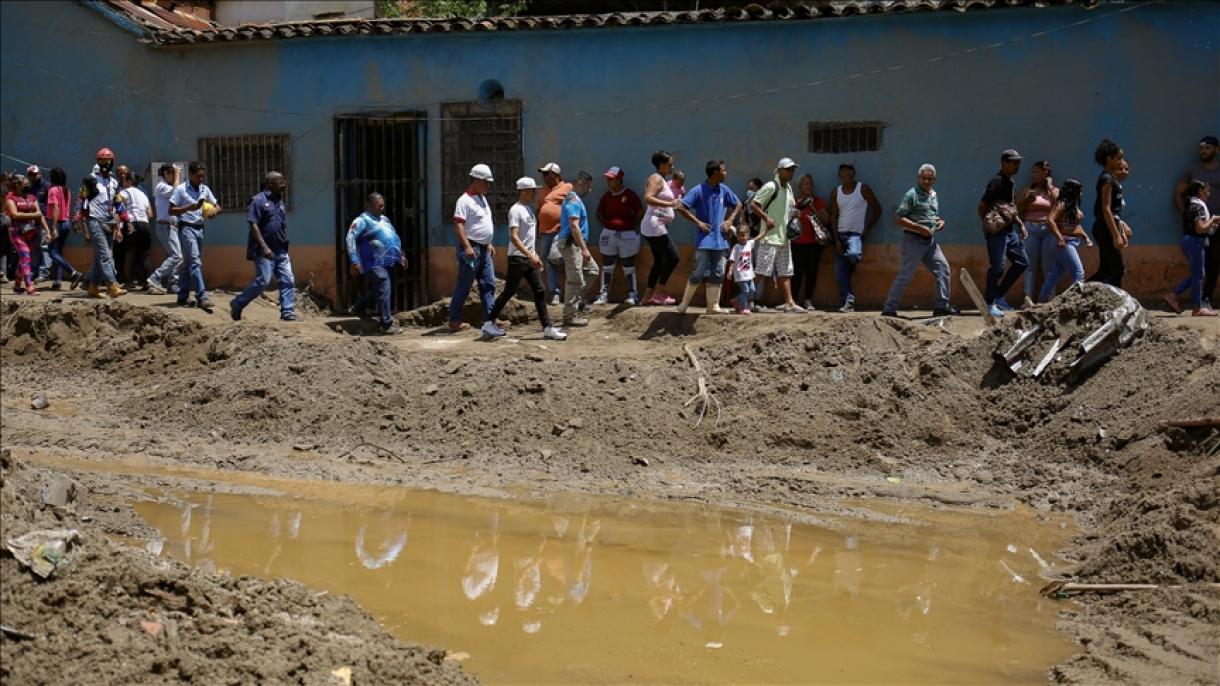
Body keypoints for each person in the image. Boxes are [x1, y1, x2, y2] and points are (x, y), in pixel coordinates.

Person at [481, 177, 567, 340]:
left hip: (527, 258)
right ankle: (488, 323)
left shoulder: (529, 209)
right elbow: (514, 237)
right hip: (518, 259)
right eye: (532, 190)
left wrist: (534, 255)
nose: (534, 193)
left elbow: (528, 237)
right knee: (509, 292)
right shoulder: (516, 210)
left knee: (539, 291)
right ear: (523, 191)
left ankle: (547, 328)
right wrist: (529, 256)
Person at [881, 164, 956, 318]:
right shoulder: (911, 195)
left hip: (929, 242)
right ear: (918, 178)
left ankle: (942, 306)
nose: (926, 182)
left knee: (943, 270)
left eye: (929, 179)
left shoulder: (933, 195)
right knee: (906, 275)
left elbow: (931, 216)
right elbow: (898, 218)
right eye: (923, 179)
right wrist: (919, 228)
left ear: (934, 179)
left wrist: (939, 222)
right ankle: (889, 309)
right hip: (913, 240)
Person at [676, 160, 741, 315]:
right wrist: (698, 222)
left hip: (721, 240)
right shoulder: (698, 190)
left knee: (718, 272)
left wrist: (730, 220)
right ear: (715, 173)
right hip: (705, 240)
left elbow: (738, 204)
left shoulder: (724, 190)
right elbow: (681, 207)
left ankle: (713, 306)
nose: (726, 173)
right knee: (698, 272)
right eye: (723, 170)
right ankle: (684, 304)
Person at [231, 171, 297, 322]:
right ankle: (238, 303)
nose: (284, 185)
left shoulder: (279, 201)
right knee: (263, 281)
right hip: (263, 249)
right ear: (270, 184)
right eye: (280, 182)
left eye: (283, 181)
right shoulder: (258, 201)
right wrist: (264, 247)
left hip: (280, 248)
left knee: (288, 280)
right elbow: (253, 225)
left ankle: (287, 312)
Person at [977, 149, 1029, 318]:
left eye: (1018, 163)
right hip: (997, 233)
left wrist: (1020, 225)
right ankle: (990, 303)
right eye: (1014, 162)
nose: (1017, 166)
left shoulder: (1010, 183)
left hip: (1009, 232)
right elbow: (982, 207)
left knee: (1022, 262)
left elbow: (1010, 209)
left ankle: (998, 295)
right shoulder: (996, 182)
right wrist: (989, 226)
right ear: (1004, 163)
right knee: (997, 268)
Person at [346, 192, 406, 335]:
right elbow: (350, 238)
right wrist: (354, 260)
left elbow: (393, 236)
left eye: (383, 205)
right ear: (369, 205)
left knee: (380, 289)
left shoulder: (384, 219)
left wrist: (401, 254)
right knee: (383, 284)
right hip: (372, 261)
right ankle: (386, 324)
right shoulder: (362, 220)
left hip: (388, 261)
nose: (382, 208)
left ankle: (358, 307)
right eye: (378, 205)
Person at [448, 163, 498, 332]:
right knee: (464, 284)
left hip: (484, 249)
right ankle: (454, 320)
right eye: (485, 182)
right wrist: (467, 247)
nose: (488, 186)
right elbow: (459, 225)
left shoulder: (482, 199)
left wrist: (488, 242)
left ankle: (490, 319)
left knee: (489, 284)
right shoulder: (464, 201)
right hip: (472, 250)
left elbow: (480, 224)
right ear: (476, 180)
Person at [750, 158, 804, 312]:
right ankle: (743, 299)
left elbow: (789, 208)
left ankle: (790, 303)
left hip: (784, 238)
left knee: (785, 272)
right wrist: (766, 218)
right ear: (779, 170)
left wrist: (796, 213)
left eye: (792, 169)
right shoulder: (770, 186)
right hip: (769, 237)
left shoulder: (788, 189)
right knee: (761, 271)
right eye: (788, 169)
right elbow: (753, 204)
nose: (791, 172)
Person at [640, 150, 692, 306]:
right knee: (673, 257)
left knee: (658, 261)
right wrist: (670, 204)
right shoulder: (656, 179)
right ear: (661, 164)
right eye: (670, 164)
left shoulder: (663, 181)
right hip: (654, 225)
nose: (672, 167)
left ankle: (647, 297)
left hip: (654, 225)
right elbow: (648, 198)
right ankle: (659, 292)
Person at [828, 163, 881, 313]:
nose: (847, 176)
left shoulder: (863, 189)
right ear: (839, 176)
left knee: (853, 255)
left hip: (855, 235)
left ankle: (848, 271)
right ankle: (848, 301)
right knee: (839, 271)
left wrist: (866, 230)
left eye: (849, 173)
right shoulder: (835, 192)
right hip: (840, 234)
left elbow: (877, 209)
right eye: (843, 173)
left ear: (854, 174)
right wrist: (836, 239)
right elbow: (833, 216)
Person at [1173, 136, 1219, 308]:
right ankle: (1195, 302)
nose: (1203, 151)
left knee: (1214, 261)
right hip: (1200, 226)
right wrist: (1186, 214)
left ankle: (1204, 299)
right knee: (1201, 266)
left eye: (1207, 148)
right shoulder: (1193, 171)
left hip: (1216, 226)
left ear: (1216, 150)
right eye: (1201, 148)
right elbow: (1177, 193)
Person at [1163, 179, 1220, 317]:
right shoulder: (1198, 207)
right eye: (1207, 190)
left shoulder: (1192, 205)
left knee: (1198, 274)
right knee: (1199, 275)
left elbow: (1202, 229)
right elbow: (1200, 229)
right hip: (1196, 242)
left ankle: (1173, 296)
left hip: (1191, 241)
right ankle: (1197, 307)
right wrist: (1211, 220)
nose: (1209, 194)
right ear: (1200, 191)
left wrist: (1212, 226)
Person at [169, 161, 219, 312]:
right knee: (195, 262)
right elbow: (171, 210)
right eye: (198, 176)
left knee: (189, 263)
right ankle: (202, 296)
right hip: (186, 228)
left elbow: (217, 205)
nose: (201, 180)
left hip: (200, 229)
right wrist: (187, 208)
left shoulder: (205, 189)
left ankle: (182, 295)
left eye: (203, 177)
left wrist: (214, 211)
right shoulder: (180, 190)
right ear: (190, 175)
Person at [594, 166, 644, 305]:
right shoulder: (607, 196)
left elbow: (640, 212)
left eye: (612, 179)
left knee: (628, 266)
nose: (608, 181)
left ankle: (633, 294)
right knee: (607, 265)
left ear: (619, 179)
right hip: (608, 234)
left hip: (627, 235)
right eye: (608, 179)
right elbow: (599, 213)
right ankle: (603, 294)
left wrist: (629, 225)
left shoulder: (630, 195)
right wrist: (609, 224)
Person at [1039, 178, 1092, 302]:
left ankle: (1041, 300)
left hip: (1071, 242)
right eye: (1079, 191)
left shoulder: (1072, 205)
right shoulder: (1061, 204)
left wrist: (1086, 237)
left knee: (1055, 275)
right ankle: (1076, 302)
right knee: (1079, 273)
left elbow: (1075, 226)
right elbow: (1050, 220)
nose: (1081, 193)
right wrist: (1059, 237)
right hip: (1064, 243)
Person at [83, 148, 127, 299]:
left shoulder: (113, 182)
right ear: (98, 162)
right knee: (105, 255)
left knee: (99, 256)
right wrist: (79, 220)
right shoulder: (90, 180)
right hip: (94, 220)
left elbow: (118, 202)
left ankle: (93, 287)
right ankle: (112, 285)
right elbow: (82, 200)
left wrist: (124, 219)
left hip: (109, 221)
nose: (105, 164)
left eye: (108, 161)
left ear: (112, 162)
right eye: (102, 161)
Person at [1017, 160, 1058, 309]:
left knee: (1048, 265)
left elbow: (1061, 204)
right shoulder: (1028, 189)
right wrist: (1027, 199)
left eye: (1036, 172)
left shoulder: (1052, 191)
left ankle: (1051, 296)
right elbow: (1016, 208)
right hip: (1031, 228)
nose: (1033, 175)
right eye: (1032, 172)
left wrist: (1050, 186)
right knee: (1030, 265)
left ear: (1045, 173)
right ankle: (1028, 297)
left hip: (1048, 230)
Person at [1087, 139, 1128, 288]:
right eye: (1118, 158)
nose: (1121, 162)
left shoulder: (1113, 179)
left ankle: (1081, 292)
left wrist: (1122, 225)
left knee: (1105, 270)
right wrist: (1116, 235)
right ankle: (1114, 303)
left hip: (1108, 226)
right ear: (1109, 159)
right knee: (1118, 269)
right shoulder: (1107, 180)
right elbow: (1106, 208)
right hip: (1105, 228)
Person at [558, 171, 596, 327]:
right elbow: (574, 226)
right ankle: (570, 316)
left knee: (592, 271)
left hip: (576, 244)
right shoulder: (573, 199)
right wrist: (584, 248)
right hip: (571, 244)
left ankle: (576, 302)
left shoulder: (577, 200)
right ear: (580, 182)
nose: (590, 190)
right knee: (575, 281)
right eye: (588, 186)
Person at [791, 173, 829, 310]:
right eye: (805, 184)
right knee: (797, 271)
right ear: (800, 186)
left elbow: (826, 220)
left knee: (811, 270)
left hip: (814, 242)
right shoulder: (795, 202)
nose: (808, 186)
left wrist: (813, 208)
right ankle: (793, 300)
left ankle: (808, 299)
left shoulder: (818, 201)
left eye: (809, 184)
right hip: (797, 242)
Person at [4, 174, 46, 295]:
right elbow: (15, 215)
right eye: (24, 181)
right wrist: (34, 215)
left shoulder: (32, 197)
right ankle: (29, 287)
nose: (27, 183)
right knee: (26, 257)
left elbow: (40, 214)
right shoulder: (10, 198)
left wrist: (48, 230)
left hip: (31, 232)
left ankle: (17, 286)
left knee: (23, 259)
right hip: (16, 232)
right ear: (17, 185)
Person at [536, 162, 570, 305]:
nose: (544, 177)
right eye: (543, 174)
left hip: (560, 231)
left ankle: (564, 293)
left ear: (556, 175)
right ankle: (553, 292)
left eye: (547, 174)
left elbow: (574, 207)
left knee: (555, 259)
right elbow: (539, 210)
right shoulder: (543, 191)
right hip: (544, 232)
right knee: (546, 262)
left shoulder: (567, 188)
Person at [44, 167, 82, 290]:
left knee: (52, 252)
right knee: (58, 253)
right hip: (66, 223)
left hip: (58, 223)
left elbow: (55, 208)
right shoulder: (67, 190)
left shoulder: (53, 190)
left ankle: (73, 273)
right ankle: (57, 281)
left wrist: (53, 227)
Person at [147, 164, 181, 295]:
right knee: (176, 256)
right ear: (165, 174)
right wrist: (177, 175)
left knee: (174, 256)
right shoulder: (161, 186)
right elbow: (176, 193)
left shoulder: (168, 186)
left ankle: (173, 283)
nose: (174, 176)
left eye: (174, 173)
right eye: (171, 173)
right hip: (165, 226)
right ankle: (155, 278)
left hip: (171, 226)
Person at [118, 170, 152, 289]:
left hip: (131, 224)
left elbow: (118, 207)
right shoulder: (143, 195)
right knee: (143, 254)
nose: (123, 182)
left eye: (124, 180)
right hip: (145, 225)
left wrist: (118, 227)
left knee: (119, 251)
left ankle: (121, 279)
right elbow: (150, 214)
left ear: (129, 181)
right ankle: (149, 282)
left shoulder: (124, 192)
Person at [25, 165, 51, 282]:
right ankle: (34, 271)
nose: (34, 176)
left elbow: (51, 204)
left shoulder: (46, 186)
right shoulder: (29, 188)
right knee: (34, 247)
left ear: (40, 173)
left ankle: (44, 272)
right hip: (32, 221)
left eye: (35, 174)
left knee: (44, 246)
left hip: (44, 220)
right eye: (31, 175)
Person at [729, 224, 756, 314]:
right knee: (745, 290)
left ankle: (736, 300)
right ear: (737, 236)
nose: (742, 237)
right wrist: (730, 270)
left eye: (744, 235)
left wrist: (766, 230)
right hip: (740, 274)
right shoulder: (736, 247)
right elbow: (732, 259)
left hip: (749, 273)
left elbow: (758, 238)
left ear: (748, 235)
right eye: (740, 235)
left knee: (752, 290)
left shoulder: (749, 243)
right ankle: (744, 307)